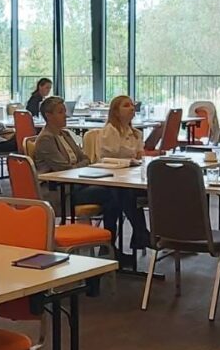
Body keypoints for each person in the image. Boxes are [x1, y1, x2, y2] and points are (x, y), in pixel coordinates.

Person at [33, 96, 143, 259]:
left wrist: (79, 165)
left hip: (76, 185)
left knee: (117, 195)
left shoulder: (66, 134)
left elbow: (85, 158)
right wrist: (80, 165)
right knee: (116, 193)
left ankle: (113, 245)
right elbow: (63, 169)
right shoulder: (46, 139)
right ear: (49, 116)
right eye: (61, 112)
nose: (66, 115)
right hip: (60, 192)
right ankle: (134, 236)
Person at [99, 95, 144, 161]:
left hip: (132, 166)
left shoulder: (136, 133)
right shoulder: (110, 130)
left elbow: (140, 155)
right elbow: (112, 156)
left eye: (132, 105)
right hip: (113, 166)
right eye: (126, 106)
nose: (132, 108)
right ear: (116, 112)